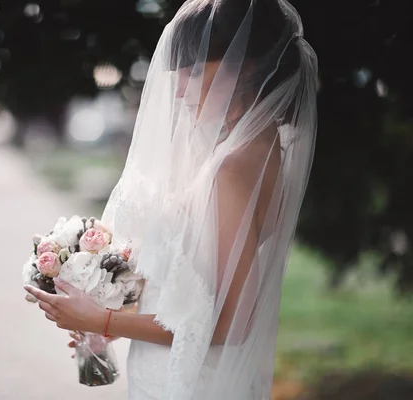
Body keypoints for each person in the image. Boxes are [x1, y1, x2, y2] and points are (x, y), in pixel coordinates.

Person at [25, 0, 318, 398]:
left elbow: (232, 323)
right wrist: (109, 302)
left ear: (246, 67)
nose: (178, 87)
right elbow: (194, 286)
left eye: (195, 69)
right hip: (171, 367)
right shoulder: (253, 151)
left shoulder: (233, 167)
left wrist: (104, 321)